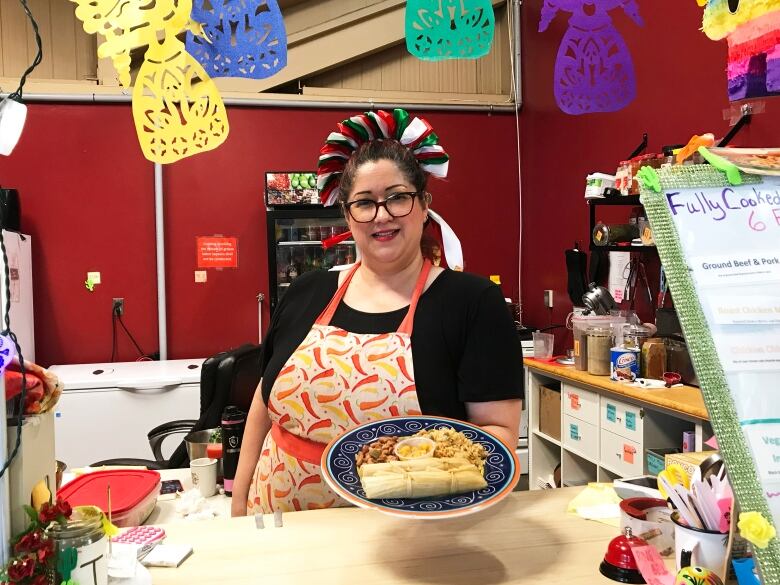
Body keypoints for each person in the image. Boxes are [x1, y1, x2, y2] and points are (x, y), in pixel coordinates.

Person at [231, 109, 524, 516]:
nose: (382, 215)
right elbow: (264, 402)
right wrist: (239, 500)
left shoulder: (472, 304)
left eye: (398, 197)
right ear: (347, 217)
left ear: (425, 205)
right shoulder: (306, 292)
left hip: (403, 538)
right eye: (365, 203)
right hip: (279, 524)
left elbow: (498, 434)